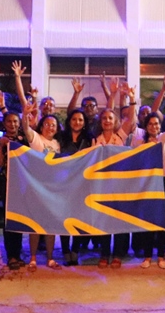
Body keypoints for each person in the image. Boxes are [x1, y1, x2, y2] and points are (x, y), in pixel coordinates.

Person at [135, 90, 165, 269]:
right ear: (146, 126)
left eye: (157, 124)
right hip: (147, 184)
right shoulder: (139, 143)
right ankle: (147, 256)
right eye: (151, 124)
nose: (154, 126)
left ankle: (161, 256)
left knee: (164, 220)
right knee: (149, 220)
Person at [91, 85, 136, 267]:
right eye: (104, 118)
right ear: (101, 122)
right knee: (103, 221)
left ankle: (118, 254)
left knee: (119, 220)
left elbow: (130, 117)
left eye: (110, 118)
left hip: (119, 185)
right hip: (101, 186)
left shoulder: (120, 136)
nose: (107, 121)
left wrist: (131, 99)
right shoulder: (95, 139)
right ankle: (104, 254)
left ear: (115, 121)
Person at [22, 101, 63, 270]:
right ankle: (32, 258)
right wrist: (25, 114)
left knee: (50, 226)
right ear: (41, 126)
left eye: (53, 125)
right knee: (35, 225)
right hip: (36, 188)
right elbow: (25, 128)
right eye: (47, 124)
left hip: (52, 190)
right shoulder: (35, 138)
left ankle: (50, 258)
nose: (50, 127)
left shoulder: (57, 145)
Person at [0, 94, 28, 270]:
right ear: (4, 124)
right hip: (7, 185)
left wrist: (4, 107)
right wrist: (1, 146)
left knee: (20, 221)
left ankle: (18, 252)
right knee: (8, 222)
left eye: (15, 122)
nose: (13, 124)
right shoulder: (0, 140)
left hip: (22, 186)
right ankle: (11, 256)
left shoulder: (25, 139)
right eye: (9, 122)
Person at [56, 108, 92, 265]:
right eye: (74, 119)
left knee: (78, 219)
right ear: (69, 121)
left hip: (82, 184)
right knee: (65, 218)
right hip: (63, 183)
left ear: (84, 123)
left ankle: (75, 250)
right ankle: (65, 251)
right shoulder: (60, 138)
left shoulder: (89, 139)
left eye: (81, 120)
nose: (77, 122)